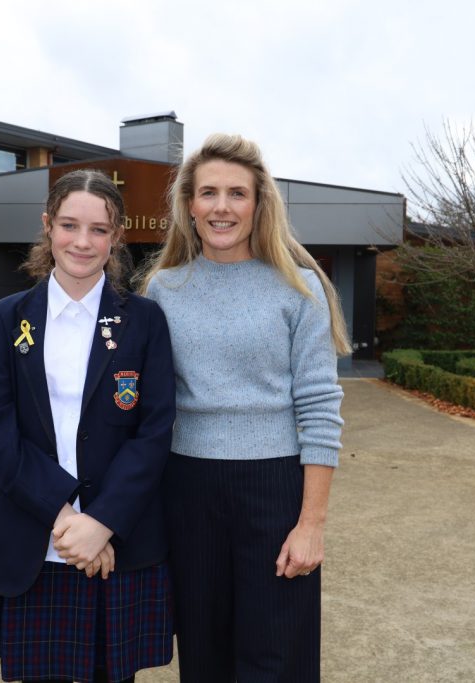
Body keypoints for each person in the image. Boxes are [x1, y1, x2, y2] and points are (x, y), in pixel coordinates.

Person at [139, 133, 349, 682]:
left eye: (237, 193)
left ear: (259, 205)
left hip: (275, 490)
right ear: (189, 205)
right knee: (204, 657)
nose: (222, 207)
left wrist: (311, 524)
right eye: (209, 193)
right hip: (187, 491)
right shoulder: (162, 290)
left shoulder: (299, 288)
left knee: (277, 658)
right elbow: (145, 406)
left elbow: (319, 408)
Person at [0, 169, 175, 683]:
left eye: (99, 229)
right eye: (69, 225)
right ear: (47, 226)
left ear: (116, 236)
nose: (83, 242)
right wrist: (64, 517)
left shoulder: (145, 320)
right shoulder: (4, 319)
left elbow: (154, 432)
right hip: (36, 540)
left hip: (117, 544)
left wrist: (101, 522)